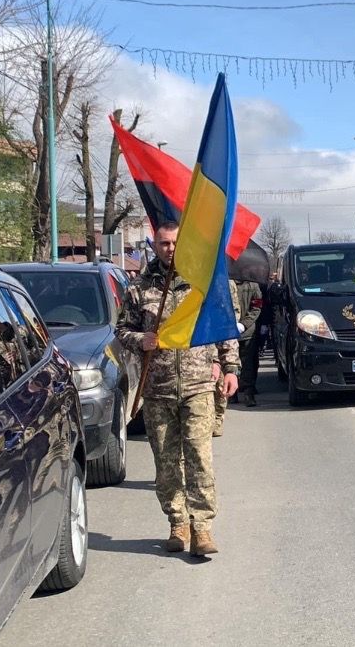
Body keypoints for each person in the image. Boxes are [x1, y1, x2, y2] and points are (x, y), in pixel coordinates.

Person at [117, 220, 239, 555]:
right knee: (167, 461)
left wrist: (230, 368)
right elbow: (122, 330)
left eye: (174, 243)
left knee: (199, 457)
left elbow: (223, 327)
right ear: (154, 246)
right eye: (163, 244)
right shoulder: (139, 288)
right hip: (158, 387)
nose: (170, 249)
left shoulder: (202, 283)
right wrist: (142, 339)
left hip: (200, 383)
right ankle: (177, 523)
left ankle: (202, 528)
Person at [212, 280, 241, 437]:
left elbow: (234, 309)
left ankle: (218, 416)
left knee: (221, 381)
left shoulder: (227, 284)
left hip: (223, 333)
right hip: (206, 336)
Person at [233, 279, 263, 407]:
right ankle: (232, 392)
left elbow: (257, 305)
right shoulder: (224, 282)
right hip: (229, 332)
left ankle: (248, 393)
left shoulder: (252, 284)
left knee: (248, 362)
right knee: (231, 361)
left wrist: (244, 324)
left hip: (247, 331)